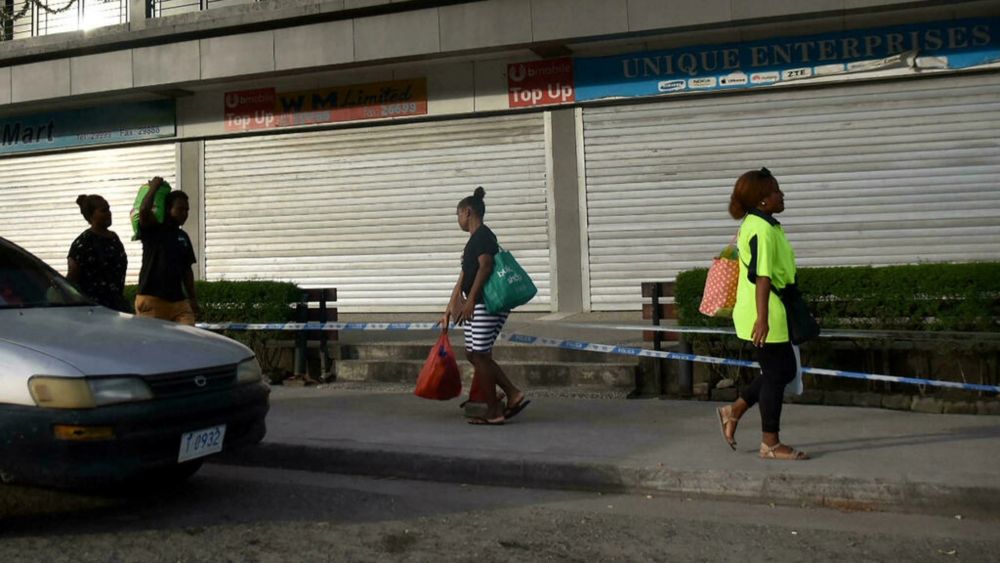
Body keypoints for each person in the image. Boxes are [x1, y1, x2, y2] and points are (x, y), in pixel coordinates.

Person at [716, 168, 808, 460]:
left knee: (779, 371)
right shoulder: (761, 229)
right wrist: (763, 318)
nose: (782, 195)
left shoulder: (762, 225)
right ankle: (770, 442)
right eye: (776, 191)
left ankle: (734, 411)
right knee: (777, 373)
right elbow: (763, 277)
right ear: (763, 200)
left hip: (772, 308)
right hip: (765, 312)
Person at [442, 187, 529, 425]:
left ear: (467, 212)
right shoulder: (473, 240)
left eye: (458, 215)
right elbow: (464, 273)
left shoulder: (483, 236)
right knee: (474, 354)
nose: (458, 220)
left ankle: (495, 410)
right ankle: (511, 394)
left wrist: (470, 302)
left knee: (480, 355)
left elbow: (486, 266)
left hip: (485, 304)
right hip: (476, 304)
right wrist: (452, 304)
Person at [134, 176, 200, 325]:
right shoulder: (153, 229)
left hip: (179, 302)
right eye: (180, 209)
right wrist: (154, 188)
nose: (185, 213)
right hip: (152, 299)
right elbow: (144, 210)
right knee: (154, 345)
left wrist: (192, 299)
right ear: (168, 209)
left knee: (188, 340)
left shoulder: (183, 236)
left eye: (187, 210)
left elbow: (187, 271)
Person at [67, 194, 130, 312]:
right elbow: (72, 278)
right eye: (103, 210)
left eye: (109, 209)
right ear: (91, 215)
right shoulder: (83, 243)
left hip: (116, 306)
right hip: (93, 310)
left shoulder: (114, 238)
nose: (109, 213)